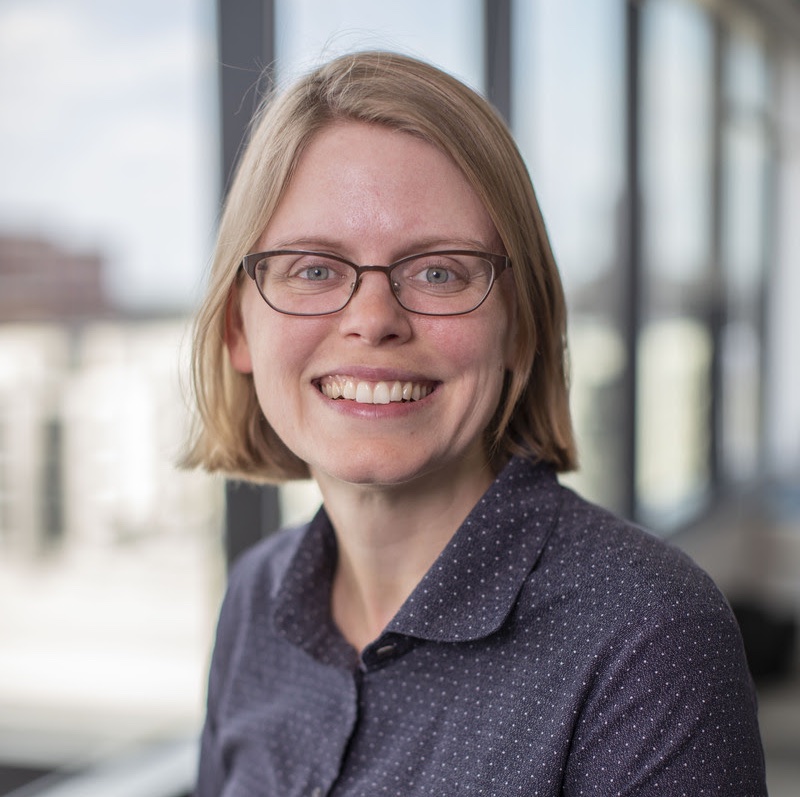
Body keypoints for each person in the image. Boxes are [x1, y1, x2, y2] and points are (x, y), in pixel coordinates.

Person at [185, 51, 767, 796]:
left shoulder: (648, 633)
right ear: (238, 326)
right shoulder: (254, 598)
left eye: (439, 271)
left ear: (520, 328)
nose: (373, 320)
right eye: (313, 269)